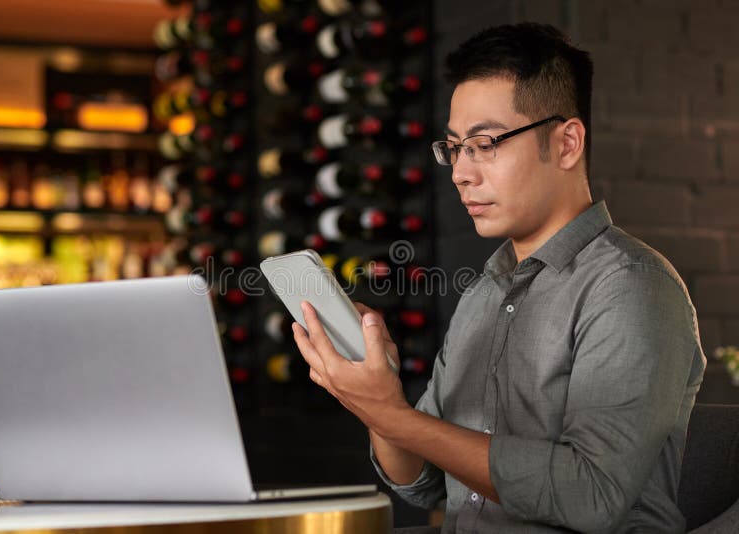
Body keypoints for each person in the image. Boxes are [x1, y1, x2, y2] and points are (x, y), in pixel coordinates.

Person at [292, 22, 706, 533]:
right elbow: (422, 483)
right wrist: (380, 398)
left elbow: (593, 497)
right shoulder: (484, 293)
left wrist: (394, 415)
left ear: (567, 143)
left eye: (484, 143)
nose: (461, 172)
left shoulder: (633, 287)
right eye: (454, 148)